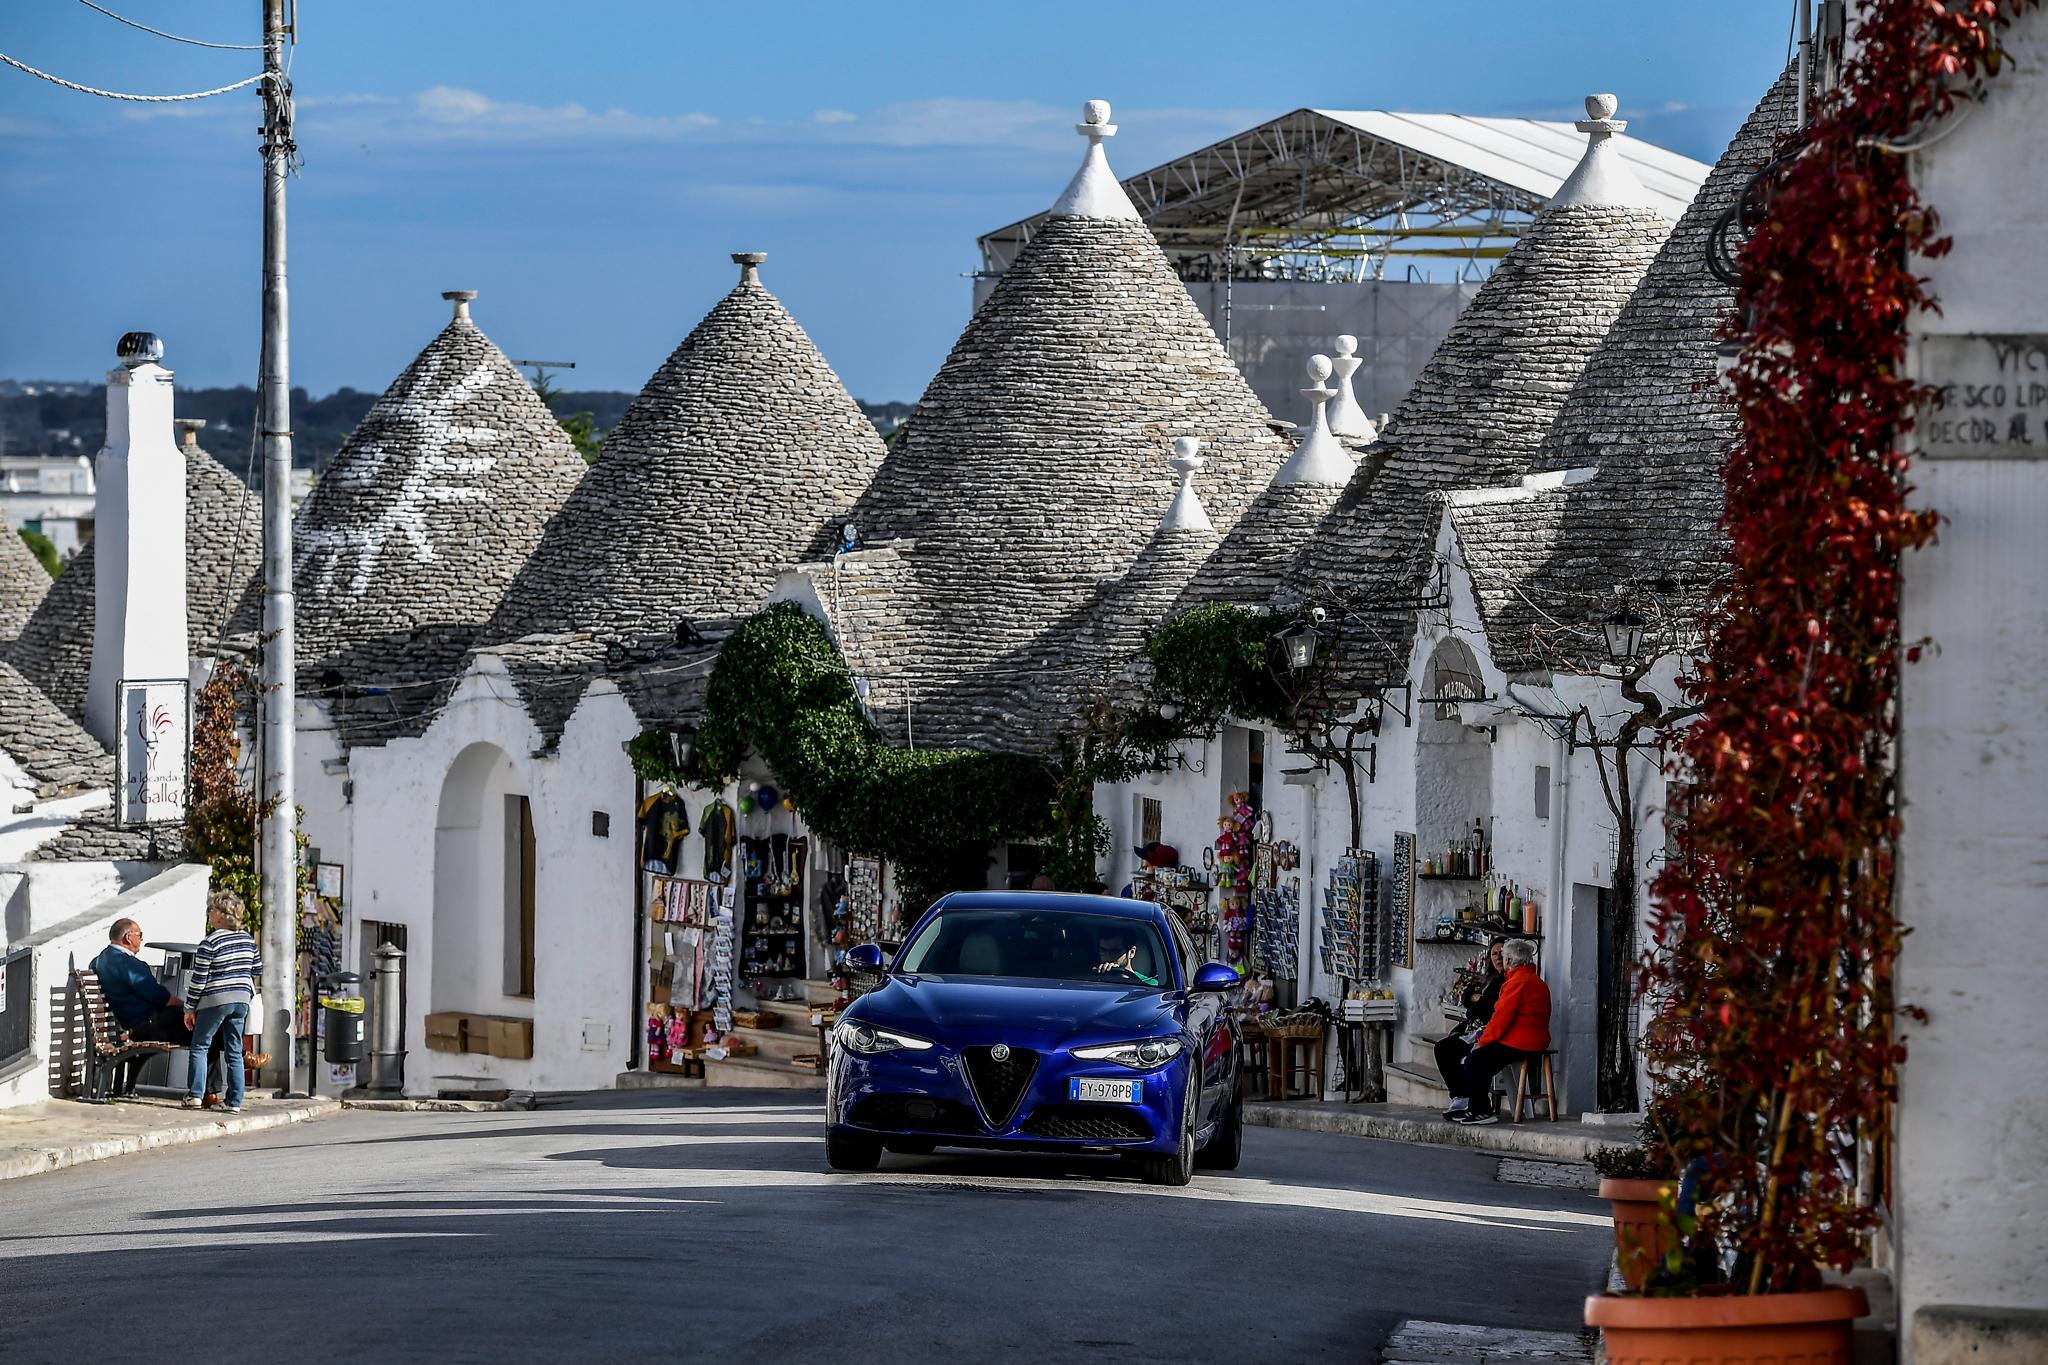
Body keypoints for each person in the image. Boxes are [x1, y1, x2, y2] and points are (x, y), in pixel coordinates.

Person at [88, 918, 222, 1098]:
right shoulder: (128, 964)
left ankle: (234, 1060)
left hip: (140, 1023)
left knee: (206, 1028)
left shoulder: (100, 960)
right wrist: (186, 1007)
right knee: (205, 1028)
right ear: (128, 938)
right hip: (150, 1024)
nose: (141, 939)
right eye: (139, 935)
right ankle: (232, 1063)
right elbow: (159, 997)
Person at [1448, 937, 1550, 1126]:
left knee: (1475, 1061)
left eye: (1504, 957)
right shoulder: (1534, 980)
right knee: (1482, 1060)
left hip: (1522, 1042)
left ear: (1510, 961)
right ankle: (1475, 1106)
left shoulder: (1517, 982)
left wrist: (1483, 1041)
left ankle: (1481, 1110)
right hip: (1532, 1039)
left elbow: (1501, 1018)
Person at [180, 891, 263, 1114]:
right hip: (241, 1000)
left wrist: (189, 1008)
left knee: (200, 1045)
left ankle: (195, 1095)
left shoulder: (210, 942)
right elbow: (257, 969)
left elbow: (199, 980)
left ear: (221, 916)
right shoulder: (248, 940)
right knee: (234, 1050)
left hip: (215, 999)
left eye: (212, 911)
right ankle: (234, 1102)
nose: (209, 915)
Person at [1436, 939, 1508, 1118]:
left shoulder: (1506, 981)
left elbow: (1484, 1007)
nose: (1499, 958)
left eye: (1502, 953)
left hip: (1489, 1032)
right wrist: (1476, 999)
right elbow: (1467, 995)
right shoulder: (1490, 979)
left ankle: (1467, 1098)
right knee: (1443, 1048)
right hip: (1476, 1028)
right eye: (1494, 954)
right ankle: (1461, 1095)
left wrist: (1478, 1000)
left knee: (1451, 1051)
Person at [1091, 925, 1159, 987]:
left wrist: (1122, 977)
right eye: (1103, 950)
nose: (1108, 956)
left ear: (1132, 952)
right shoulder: (1091, 979)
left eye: (1115, 951)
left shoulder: (1149, 984)